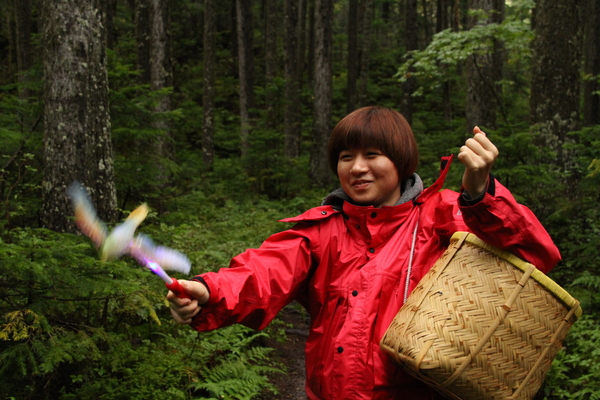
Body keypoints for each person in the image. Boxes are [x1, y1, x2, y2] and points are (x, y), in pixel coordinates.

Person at [168, 106, 561, 399]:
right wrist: (210, 290)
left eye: (372, 154)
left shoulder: (439, 214)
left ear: (401, 161)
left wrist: (479, 193)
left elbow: (534, 254)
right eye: (346, 157)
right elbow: (264, 271)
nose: (357, 168)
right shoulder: (322, 229)